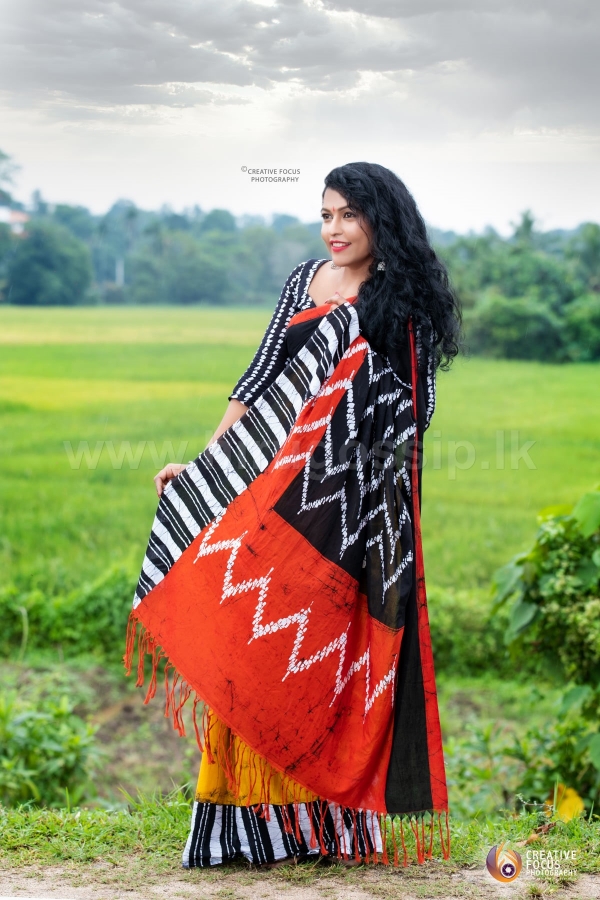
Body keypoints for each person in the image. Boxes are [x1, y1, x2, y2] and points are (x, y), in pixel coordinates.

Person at [131, 161, 461, 869]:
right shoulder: (303, 282)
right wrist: (207, 463)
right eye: (326, 215)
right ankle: (244, 827)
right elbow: (257, 382)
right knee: (254, 648)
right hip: (273, 492)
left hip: (345, 511)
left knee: (322, 660)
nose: (334, 230)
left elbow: (418, 408)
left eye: (349, 215)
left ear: (382, 219)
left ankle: (325, 829)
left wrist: (351, 390)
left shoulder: (399, 300)